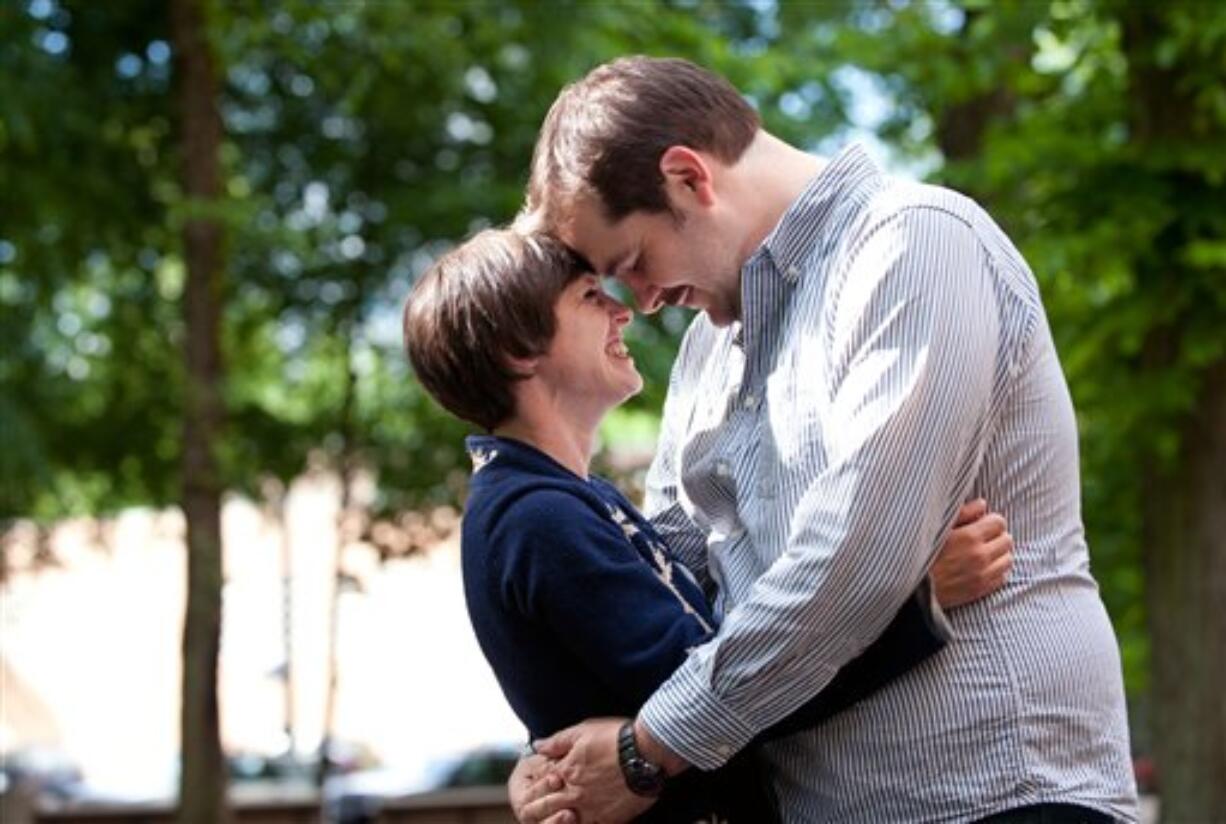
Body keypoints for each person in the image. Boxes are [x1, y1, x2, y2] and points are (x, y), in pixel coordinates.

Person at [512, 56, 1137, 823]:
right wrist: (556, 763)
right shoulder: (710, 350)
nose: (640, 303)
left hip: (995, 797)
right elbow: (660, 591)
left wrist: (648, 751)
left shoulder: (914, 247)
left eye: (634, 263)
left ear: (688, 178)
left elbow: (855, 560)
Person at [402, 227, 1015, 822]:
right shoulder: (536, 518)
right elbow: (724, 695)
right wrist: (914, 602)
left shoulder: (562, 499)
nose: (622, 314)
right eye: (590, 297)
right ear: (520, 350)